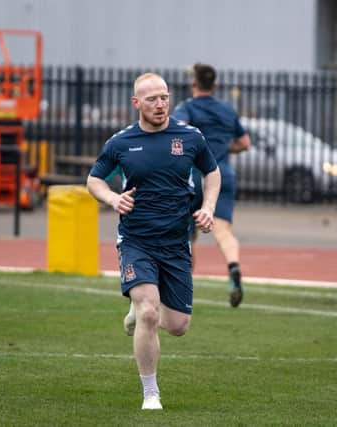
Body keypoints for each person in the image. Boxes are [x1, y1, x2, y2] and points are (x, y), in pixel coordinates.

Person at [86, 72, 220, 410]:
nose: (160, 105)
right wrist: (113, 199)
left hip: (176, 243)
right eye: (152, 99)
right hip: (136, 240)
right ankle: (150, 393)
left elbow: (212, 172)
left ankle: (138, 307)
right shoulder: (120, 143)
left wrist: (207, 207)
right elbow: (94, 180)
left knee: (178, 326)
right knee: (149, 312)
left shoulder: (190, 137)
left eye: (164, 97)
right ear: (136, 103)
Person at [172, 63, 251, 308]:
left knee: (187, 236)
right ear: (214, 85)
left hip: (194, 177)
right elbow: (245, 143)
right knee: (223, 232)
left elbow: (179, 133)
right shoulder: (227, 110)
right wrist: (223, 147)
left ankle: (185, 289)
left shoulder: (186, 108)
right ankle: (234, 268)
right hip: (223, 174)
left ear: (193, 84)